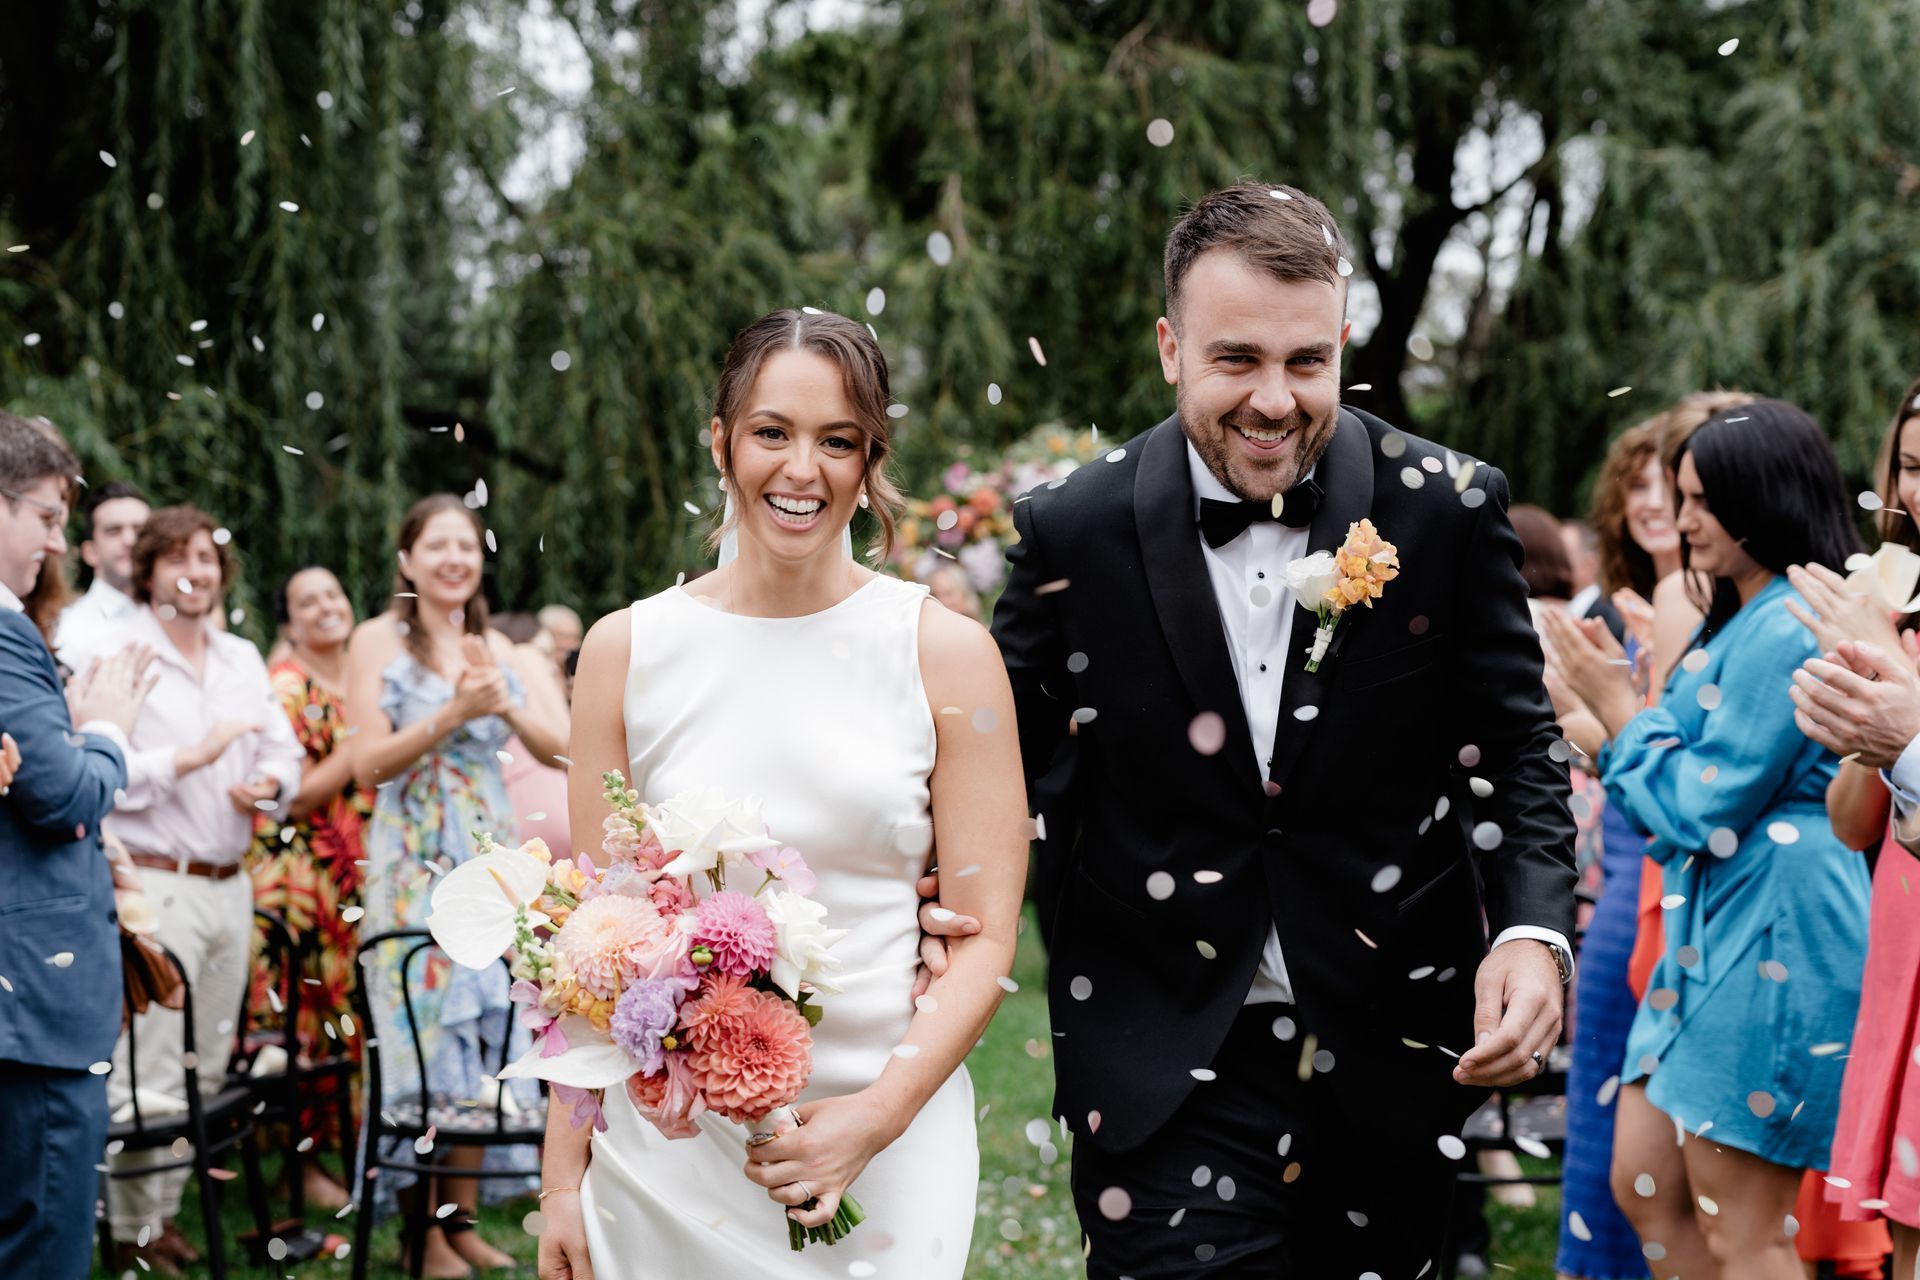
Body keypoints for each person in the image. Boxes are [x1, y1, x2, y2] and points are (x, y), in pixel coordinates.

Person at [988, 181, 1577, 1277]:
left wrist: (1532, 931)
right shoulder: (1071, 530)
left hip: (1392, 1050)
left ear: (1344, 342)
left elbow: (1512, 743)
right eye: (1236, 359)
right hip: (1161, 1060)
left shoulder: (1443, 506)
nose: (1274, 399)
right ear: (1170, 347)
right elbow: (994, 776)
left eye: (1307, 362)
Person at [539, 308, 1027, 1280]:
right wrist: (562, 1179)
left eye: (837, 440)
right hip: (671, 1156)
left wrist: (871, 1121)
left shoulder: (946, 653)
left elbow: (987, 941)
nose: (803, 469)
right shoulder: (623, 651)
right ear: (722, 441)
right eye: (773, 431)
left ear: (870, 458)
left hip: (889, 1132)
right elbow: (592, 946)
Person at [1544, 400, 1871, 1280]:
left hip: (1777, 926)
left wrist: (1619, 718)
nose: (1681, 519)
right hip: (1709, 929)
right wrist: (1605, 715)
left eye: (1701, 499)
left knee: (1745, 1226)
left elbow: (1702, 803)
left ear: (1765, 499)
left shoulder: (1790, 622)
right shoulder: (1741, 614)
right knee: (1644, 1182)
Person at [348, 494, 569, 1278]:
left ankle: (461, 1218)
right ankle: (421, 1235)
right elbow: (366, 765)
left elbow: (564, 749)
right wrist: (451, 714)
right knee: (425, 1031)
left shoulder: (492, 648)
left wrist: (503, 702)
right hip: (414, 862)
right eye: (436, 545)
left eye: (466, 546)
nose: (453, 559)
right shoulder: (376, 641)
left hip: (487, 860)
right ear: (406, 559)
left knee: (484, 1032)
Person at [100, 505, 306, 1271]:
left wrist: (268, 783)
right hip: (155, 881)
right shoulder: (124, 657)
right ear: (149, 571)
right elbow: (109, 776)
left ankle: (163, 1214)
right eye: (178, 556)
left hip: (230, 881)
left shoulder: (243, 657)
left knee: (206, 1063)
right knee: (150, 1064)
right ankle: (131, 1233)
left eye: (208, 557)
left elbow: (284, 753)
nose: (197, 569)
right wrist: (196, 756)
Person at [0, 411, 153, 1280]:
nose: (56, 544)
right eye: (50, 518)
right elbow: (59, 796)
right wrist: (106, 733)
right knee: (41, 1243)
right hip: (31, 1006)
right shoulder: (2, 628)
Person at [1787, 373, 1920, 1280]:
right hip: (1902, 929)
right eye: (1911, 467)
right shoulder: (1901, 616)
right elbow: (1847, 823)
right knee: (1909, 1222)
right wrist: (1862, 703)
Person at [243, 565, 369, 1212]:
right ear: (289, 622)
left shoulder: (362, 677)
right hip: (299, 878)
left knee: (346, 1015)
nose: (325, 605)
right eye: (306, 599)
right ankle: (300, 1165)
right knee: (305, 1018)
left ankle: (350, 1150)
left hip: (349, 873)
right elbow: (293, 798)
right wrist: (365, 741)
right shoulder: (285, 686)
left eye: (332, 591)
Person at [54, 479, 149, 671]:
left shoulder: (177, 614)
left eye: (140, 531)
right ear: (90, 552)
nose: (129, 540)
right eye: (114, 531)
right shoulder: (70, 629)